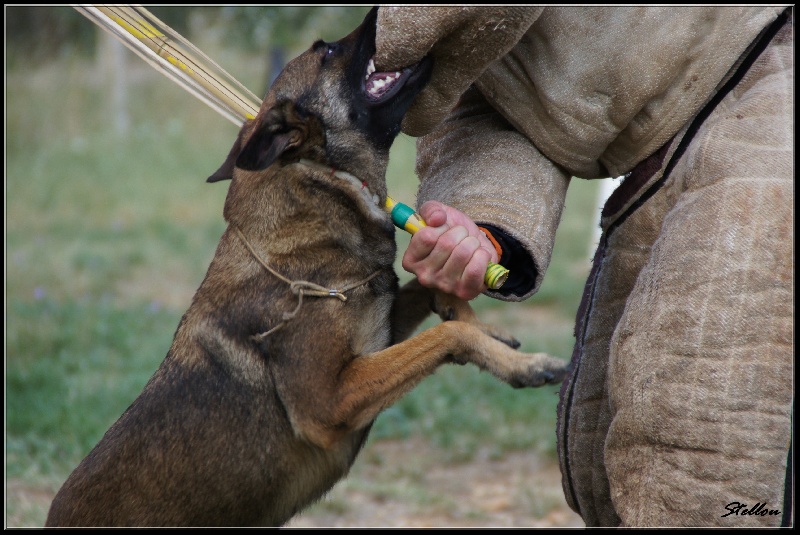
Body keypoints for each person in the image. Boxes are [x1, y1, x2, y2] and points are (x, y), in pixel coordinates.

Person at [374, 6, 793, 528]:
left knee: (701, 440)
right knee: (614, 460)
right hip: (654, 155)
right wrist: (483, 228)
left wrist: (388, 45)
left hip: (772, 84)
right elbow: (499, 106)